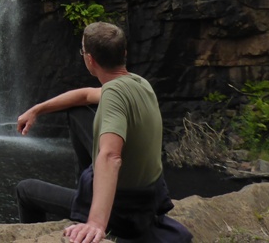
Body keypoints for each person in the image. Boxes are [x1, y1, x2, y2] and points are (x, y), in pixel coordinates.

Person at [15, 22, 192, 243]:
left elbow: (111, 157)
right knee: (77, 111)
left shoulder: (113, 98)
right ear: (124, 54)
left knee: (25, 190)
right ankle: (85, 190)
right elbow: (86, 95)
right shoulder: (140, 83)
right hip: (148, 198)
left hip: (125, 210)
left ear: (90, 60)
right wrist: (37, 110)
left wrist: (96, 223)